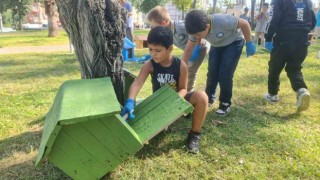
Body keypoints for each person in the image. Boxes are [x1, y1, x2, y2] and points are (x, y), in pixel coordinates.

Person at [121, 26, 208, 153]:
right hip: (159, 105)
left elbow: (183, 88)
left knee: (202, 97)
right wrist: (130, 100)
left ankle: (194, 135)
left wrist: (176, 100)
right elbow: (137, 83)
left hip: (177, 100)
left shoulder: (180, 65)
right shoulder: (149, 65)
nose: (153, 54)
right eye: (150, 49)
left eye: (157, 50)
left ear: (170, 49)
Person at [183, 10, 256, 117]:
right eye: (194, 35)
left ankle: (225, 103)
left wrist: (249, 43)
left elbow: (244, 23)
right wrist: (196, 48)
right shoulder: (196, 29)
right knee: (212, 73)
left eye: (198, 35)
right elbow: (189, 48)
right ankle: (209, 98)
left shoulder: (223, 21)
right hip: (216, 45)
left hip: (234, 42)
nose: (196, 36)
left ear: (207, 26)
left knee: (225, 74)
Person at [263, 0, 316, 112]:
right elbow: (313, 19)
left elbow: (273, 18)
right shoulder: (307, 1)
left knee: (275, 67)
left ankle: (272, 94)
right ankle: (301, 90)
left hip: (284, 38)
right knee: (294, 68)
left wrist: (268, 38)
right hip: (302, 39)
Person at [147, 6, 207, 92]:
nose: (153, 28)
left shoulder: (181, 27)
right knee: (184, 69)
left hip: (199, 48)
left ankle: (188, 93)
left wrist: (197, 45)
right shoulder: (167, 32)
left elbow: (195, 32)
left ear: (163, 23)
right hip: (189, 49)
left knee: (189, 71)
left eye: (154, 25)